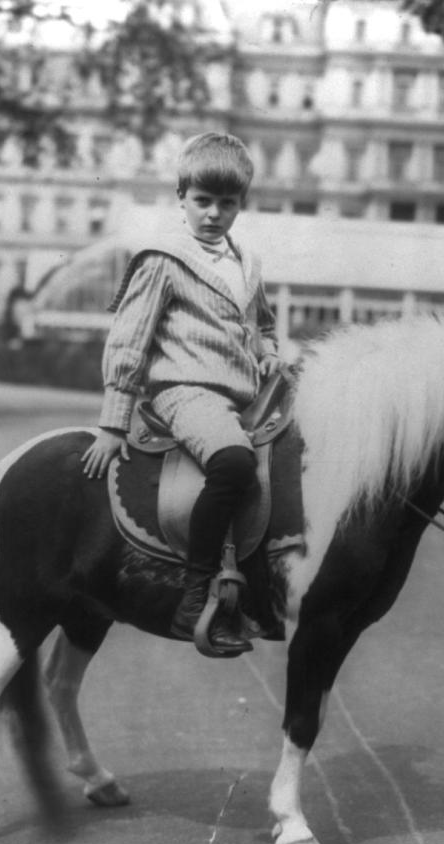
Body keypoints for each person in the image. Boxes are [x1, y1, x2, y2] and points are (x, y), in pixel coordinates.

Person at [81, 132, 283, 656]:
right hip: (186, 390)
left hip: (246, 396)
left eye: (227, 203)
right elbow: (129, 338)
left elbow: (264, 323)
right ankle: (196, 597)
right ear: (181, 197)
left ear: (241, 204)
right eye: (202, 200)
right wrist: (113, 422)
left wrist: (267, 351)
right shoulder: (164, 258)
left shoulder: (247, 262)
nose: (214, 214)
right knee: (234, 464)